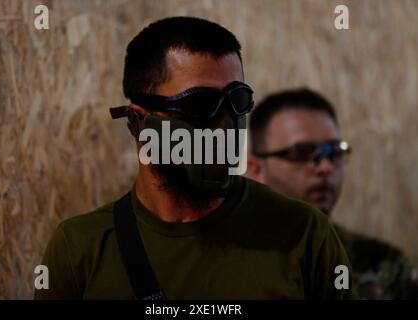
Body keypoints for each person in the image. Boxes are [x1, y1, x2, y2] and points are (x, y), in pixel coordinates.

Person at [35, 17, 354, 300]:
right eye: (201, 105)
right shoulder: (80, 250)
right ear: (139, 121)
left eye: (236, 101)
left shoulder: (305, 235)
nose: (224, 125)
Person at [248, 88, 418, 299]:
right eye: (302, 153)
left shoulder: (382, 267)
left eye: (335, 152)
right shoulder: (227, 263)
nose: (325, 167)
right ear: (256, 169)